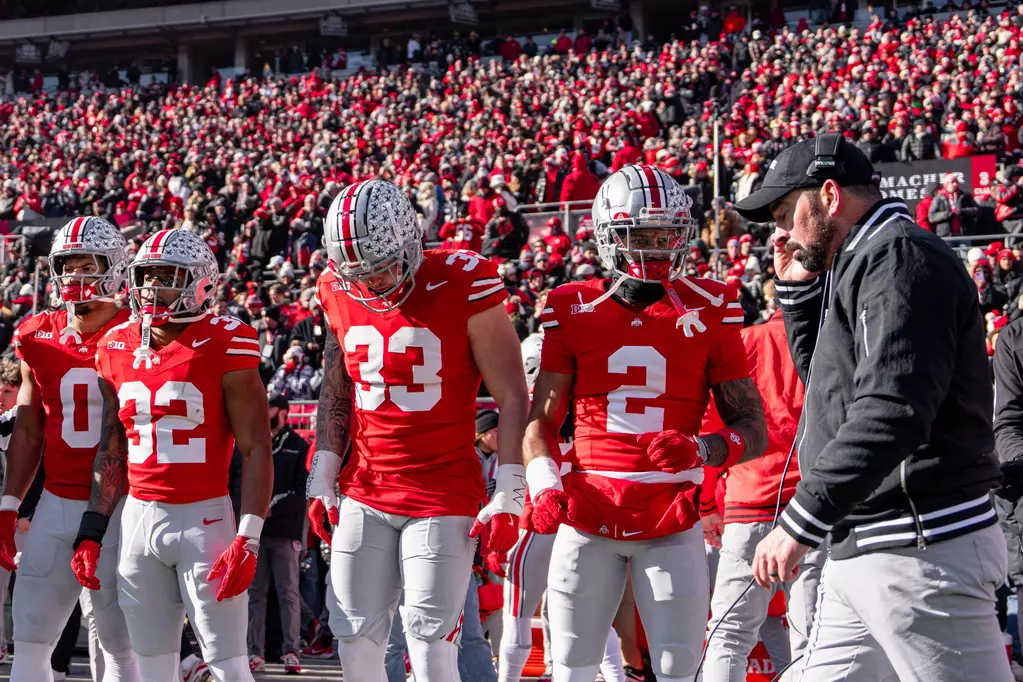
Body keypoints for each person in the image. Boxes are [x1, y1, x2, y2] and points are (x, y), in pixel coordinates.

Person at [734, 135, 1009, 681]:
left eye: (787, 213)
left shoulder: (898, 256)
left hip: (921, 544)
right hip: (868, 542)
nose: (781, 234)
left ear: (830, 195)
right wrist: (799, 301)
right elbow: (829, 397)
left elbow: (892, 409)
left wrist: (800, 521)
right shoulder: (863, 258)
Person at [524, 164, 768, 682]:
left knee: (680, 668)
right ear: (609, 236)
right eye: (642, 235)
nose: (658, 249)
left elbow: (752, 426)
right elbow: (539, 422)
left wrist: (702, 450)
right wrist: (543, 486)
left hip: (670, 519)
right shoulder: (572, 306)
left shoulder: (712, 305)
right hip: (587, 513)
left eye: (668, 236)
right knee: (572, 667)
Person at [306, 178, 530, 681]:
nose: (374, 282)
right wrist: (323, 471)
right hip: (365, 487)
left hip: (441, 488)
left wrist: (511, 489)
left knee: (430, 642)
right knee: (354, 637)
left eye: (383, 266)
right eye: (360, 272)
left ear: (411, 241)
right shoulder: (335, 287)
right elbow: (336, 388)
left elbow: (512, 392)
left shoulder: (463, 278)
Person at [69, 228, 274, 682]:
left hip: (205, 519)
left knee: (227, 663)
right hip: (139, 518)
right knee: (150, 665)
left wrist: (251, 535)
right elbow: (112, 446)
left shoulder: (227, 340)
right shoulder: (115, 345)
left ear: (201, 283)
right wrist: (92, 527)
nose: (152, 288)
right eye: (147, 276)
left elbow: (257, 446)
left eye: (167, 276)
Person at [0, 217, 140, 682]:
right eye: (67, 265)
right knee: (31, 640)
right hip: (57, 501)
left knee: (120, 645)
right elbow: (28, 431)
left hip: (122, 505)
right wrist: (8, 504)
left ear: (116, 268)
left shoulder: (141, 333)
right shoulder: (36, 334)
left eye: (88, 265)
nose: (76, 276)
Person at [699, 309, 821, 682]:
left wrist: (706, 504)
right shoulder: (829, 337)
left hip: (749, 502)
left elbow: (707, 431)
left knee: (728, 633)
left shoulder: (745, 341)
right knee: (812, 636)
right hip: (813, 507)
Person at [500, 337, 627, 682]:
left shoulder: (525, 411)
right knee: (586, 613)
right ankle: (614, 676)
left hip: (539, 521)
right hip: (581, 523)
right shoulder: (591, 410)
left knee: (517, 613)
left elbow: (511, 468)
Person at [246, 392, 309, 675]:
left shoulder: (298, 445)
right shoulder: (255, 442)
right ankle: (253, 652)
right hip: (256, 532)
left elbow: (302, 490)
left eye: (268, 407)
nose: (264, 411)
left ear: (282, 412)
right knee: (255, 593)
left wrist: (271, 507)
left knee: (288, 593)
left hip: (285, 531)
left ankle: (290, 651)